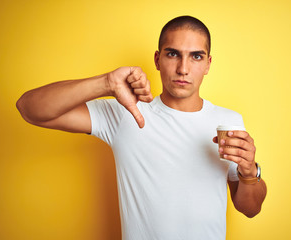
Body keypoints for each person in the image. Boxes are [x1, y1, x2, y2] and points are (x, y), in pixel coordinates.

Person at [16, 16, 267, 240]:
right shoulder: (126, 111)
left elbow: (250, 209)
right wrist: (105, 83)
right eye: (172, 54)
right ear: (157, 59)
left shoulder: (228, 121)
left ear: (208, 64)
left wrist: (248, 171)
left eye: (196, 56)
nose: (183, 68)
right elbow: (29, 108)